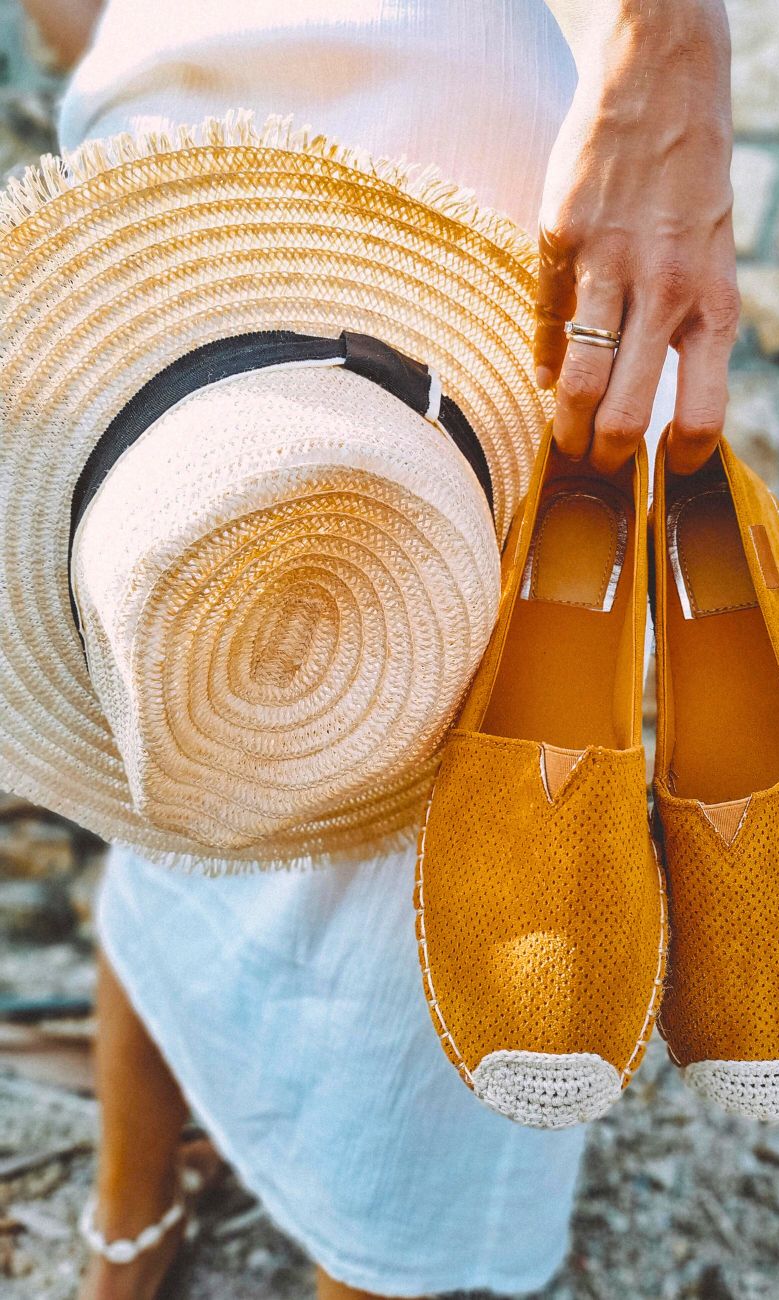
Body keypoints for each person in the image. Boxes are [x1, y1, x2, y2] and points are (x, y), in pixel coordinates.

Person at [17, 2, 738, 1297]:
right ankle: (149, 1209)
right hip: (292, 75)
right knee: (193, 681)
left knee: (447, 788)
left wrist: (664, 45)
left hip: (390, 84)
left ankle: (245, 1231)